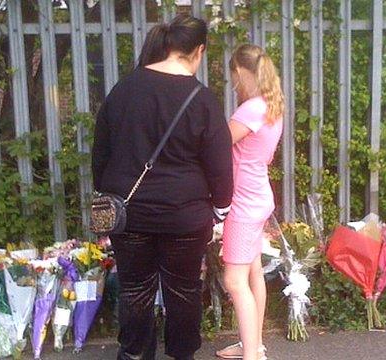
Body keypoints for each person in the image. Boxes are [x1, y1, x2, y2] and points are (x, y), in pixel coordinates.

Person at [91, 15, 233, 360]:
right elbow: (219, 163)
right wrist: (221, 208)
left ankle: (135, 355)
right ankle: (182, 356)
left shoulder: (123, 90)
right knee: (183, 290)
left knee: (135, 289)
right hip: (185, 216)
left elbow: (101, 154)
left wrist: (109, 193)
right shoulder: (202, 99)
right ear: (198, 51)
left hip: (130, 215)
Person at [215, 44, 284, 360]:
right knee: (254, 272)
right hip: (257, 198)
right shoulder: (271, 106)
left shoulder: (251, 109)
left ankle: (253, 355)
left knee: (234, 279)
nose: (234, 85)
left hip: (243, 204)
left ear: (243, 72)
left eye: (234, 77)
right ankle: (253, 345)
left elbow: (215, 145)